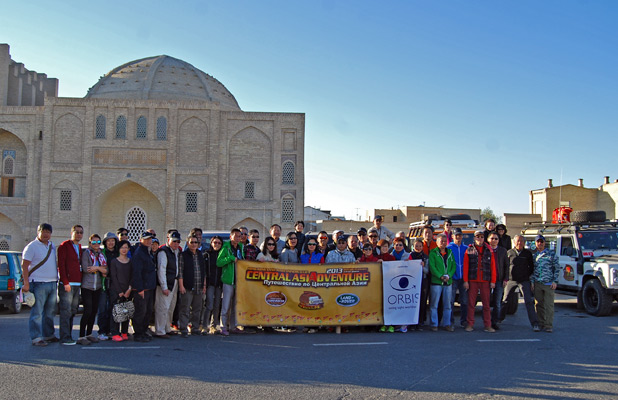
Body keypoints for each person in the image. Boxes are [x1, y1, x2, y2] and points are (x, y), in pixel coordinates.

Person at [22, 223, 58, 346]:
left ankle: (48, 335)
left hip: (52, 283)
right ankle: (36, 337)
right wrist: (26, 283)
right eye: (43, 231)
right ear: (38, 232)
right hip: (38, 283)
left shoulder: (51, 246)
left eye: (48, 232)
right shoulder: (31, 246)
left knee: (49, 312)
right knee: (37, 312)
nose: (46, 234)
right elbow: (25, 265)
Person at [504, 235, 540, 331]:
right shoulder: (509, 252)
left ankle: (534, 323)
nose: (519, 243)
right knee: (505, 300)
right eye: (517, 241)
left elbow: (531, 267)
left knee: (528, 301)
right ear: (514, 242)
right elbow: (505, 266)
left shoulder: (527, 253)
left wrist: (527, 276)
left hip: (524, 280)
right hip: (511, 280)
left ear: (524, 242)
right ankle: (498, 320)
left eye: (521, 241)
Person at [463, 230, 496, 332]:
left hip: (485, 280)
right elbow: (466, 266)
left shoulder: (489, 250)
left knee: (486, 305)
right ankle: (470, 324)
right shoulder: (469, 250)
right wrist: (466, 281)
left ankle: (487, 325)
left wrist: (493, 281)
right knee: (471, 304)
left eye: (481, 237)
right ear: (474, 238)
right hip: (473, 279)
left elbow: (493, 267)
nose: (479, 239)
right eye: (477, 237)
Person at [78, 234, 108, 345]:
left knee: (94, 311)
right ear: (90, 243)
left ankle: (89, 334)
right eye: (93, 242)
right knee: (87, 311)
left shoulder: (101, 254)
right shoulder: (86, 253)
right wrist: (99, 269)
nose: (96, 244)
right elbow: (86, 269)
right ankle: (81, 336)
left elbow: (106, 270)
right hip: (87, 286)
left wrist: (96, 268)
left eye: (98, 242)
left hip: (98, 286)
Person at [56, 224, 83, 345]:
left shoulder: (80, 247)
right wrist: (65, 282)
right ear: (71, 233)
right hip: (67, 284)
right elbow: (61, 265)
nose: (79, 234)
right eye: (76, 232)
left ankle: (69, 335)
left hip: (77, 283)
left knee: (73, 310)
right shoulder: (64, 246)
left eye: (81, 232)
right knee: (65, 311)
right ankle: (64, 337)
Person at [178, 233, 207, 337]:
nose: (194, 244)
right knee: (185, 309)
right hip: (187, 287)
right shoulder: (183, 255)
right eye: (192, 242)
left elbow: (203, 272)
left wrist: (204, 286)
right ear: (188, 243)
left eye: (196, 242)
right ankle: (183, 329)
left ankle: (195, 328)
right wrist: (181, 286)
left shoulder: (200, 255)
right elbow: (180, 271)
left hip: (198, 286)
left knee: (197, 309)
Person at [217, 228, 245, 336]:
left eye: (239, 236)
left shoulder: (241, 247)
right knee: (226, 305)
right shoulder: (226, 247)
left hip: (238, 281)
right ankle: (223, 326)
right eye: (236, 236)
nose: (238, 238)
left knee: (235, 305)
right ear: (231, 236)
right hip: (228, 280)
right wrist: (230, 258)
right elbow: (219, 262)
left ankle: (233, 326)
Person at [154, 231, 181, 338]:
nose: (176, 243)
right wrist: (164, 286)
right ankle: (160, 330)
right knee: (162, 307)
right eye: (174, 241)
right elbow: (161, 270)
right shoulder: (163, 252)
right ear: (168, 240)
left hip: (174, 282)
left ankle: (166, 328)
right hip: (165, 283)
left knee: (170, 307)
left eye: (178, 241)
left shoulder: (176, 252)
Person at [131, 232, 157, 342]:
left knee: (147, 311)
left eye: (150, 239)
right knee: (140, 312)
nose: (148, 241)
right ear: (141, 240)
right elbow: (136, 272)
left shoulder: (148, 251)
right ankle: (138, 334)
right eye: (146, 239)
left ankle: (144, 331)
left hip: (150, 287)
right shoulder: (139, 253)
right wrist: (140, 289)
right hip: (142, 289)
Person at [428, 234, 457, 332]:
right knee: (434, 305)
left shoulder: (450, 252)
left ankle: (447, 324)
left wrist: (449, 275)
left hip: (448, 282)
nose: (443, 243)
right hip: (436, 282)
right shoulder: (433, 253)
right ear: (437, 242)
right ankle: (434, 324)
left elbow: (453, 266)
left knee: (447, 305)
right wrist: (440, 276)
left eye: (445, 241)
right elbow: (432, 267)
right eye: (441, 241)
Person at [532, 235, 559, 333]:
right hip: (537, 283)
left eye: (541, 242)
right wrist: (532, 282)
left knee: (548, 305)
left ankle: (548, 325)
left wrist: (555, 281)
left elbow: (556, 268)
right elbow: (532, 270)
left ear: (544, 243)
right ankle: (540, 323)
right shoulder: (534, 256)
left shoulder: (551, 254)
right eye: (538, 242)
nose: (540, 244)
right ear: (535, 243)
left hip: (548, 283)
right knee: (539, 305)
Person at [109, 240, 132, 342]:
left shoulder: (130, 261)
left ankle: (124, 332)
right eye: (122, 247)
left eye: (126, 247)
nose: (124, 250)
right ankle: (115, 333)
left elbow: (132, 276)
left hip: (128, 291)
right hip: (116, 290)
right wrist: (119, 291)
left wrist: (129, 289)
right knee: (116, 312)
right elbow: (113, 277)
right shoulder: (114, 261)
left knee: (126, 311)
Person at [98, 232, 119, 341]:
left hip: (114, 284)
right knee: (102, 308)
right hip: (104, 284)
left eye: (113, 240)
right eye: (108, 240)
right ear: (105, 242)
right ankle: (102, 331)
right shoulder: (102, 253)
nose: (111, 243)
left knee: (113, 308)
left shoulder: (117, 253)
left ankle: (112, 330)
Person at [447, 228, 468, 328]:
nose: (458, 238)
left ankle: (464, 321)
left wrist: (466, 278)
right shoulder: (449, 248)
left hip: (463, 278)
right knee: (450, 301)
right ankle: (450, 322)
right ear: (452, 236)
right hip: (453, 278)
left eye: (460, 236)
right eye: (456, 236)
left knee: (464, 301)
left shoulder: (466, 248)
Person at [202, 236, 224, 334]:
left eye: (219, 243)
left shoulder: (222, 255)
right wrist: (204, 283)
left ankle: (214, 326)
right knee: (209, 305)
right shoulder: (207, 255)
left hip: (219, 284)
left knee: (217, 305)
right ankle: (204, 326)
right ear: (211, 243)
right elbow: (204, 271)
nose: (217, 244)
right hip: (210, 284)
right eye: (215, 242)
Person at [488, 231, 509, 330]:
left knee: (497, 303)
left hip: (499, 280)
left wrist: (506, 278)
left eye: (496, 239)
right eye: (492, 238)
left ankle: (495, 322)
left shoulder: (503, 251)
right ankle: (487, 322)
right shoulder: (485, 250)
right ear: (488, 240)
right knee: (486, 302)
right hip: (487, 280)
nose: (494, 240)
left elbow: (506, 266)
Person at [409, 238, 429, 330]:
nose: (418, 247)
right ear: (413, 246)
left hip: (422, 281)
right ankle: (412, 322)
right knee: (412, 302)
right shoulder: (410, 256)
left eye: (420, 246)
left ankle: (421, 321)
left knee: (422, 302)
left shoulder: (425, 257)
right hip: (412, 282)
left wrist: (423, 267)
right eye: (416, 246)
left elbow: (427, 271)